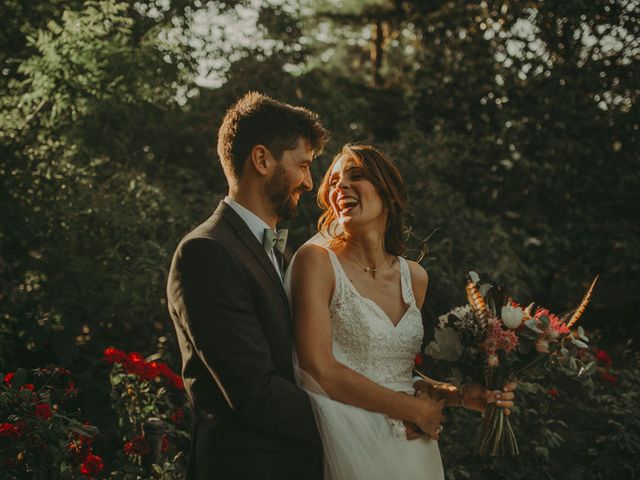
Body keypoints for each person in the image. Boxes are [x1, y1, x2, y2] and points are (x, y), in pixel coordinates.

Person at [287, 144, 516, 479]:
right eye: (333, 183)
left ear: (388, 193)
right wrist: (410, 408)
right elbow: (318, 368)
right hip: (350, 440)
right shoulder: (317, 263)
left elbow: (395, 371)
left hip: (413, 445)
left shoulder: (415, 277)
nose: (340, 187)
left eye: (357, 176)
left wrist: (461, 395)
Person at [166, 91, 328, 479]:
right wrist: (361, 422)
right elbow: (254, 393)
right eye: (302, 165)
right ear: (262, 159)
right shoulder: (206, 252)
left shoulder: (284, 257)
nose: (309, 182)